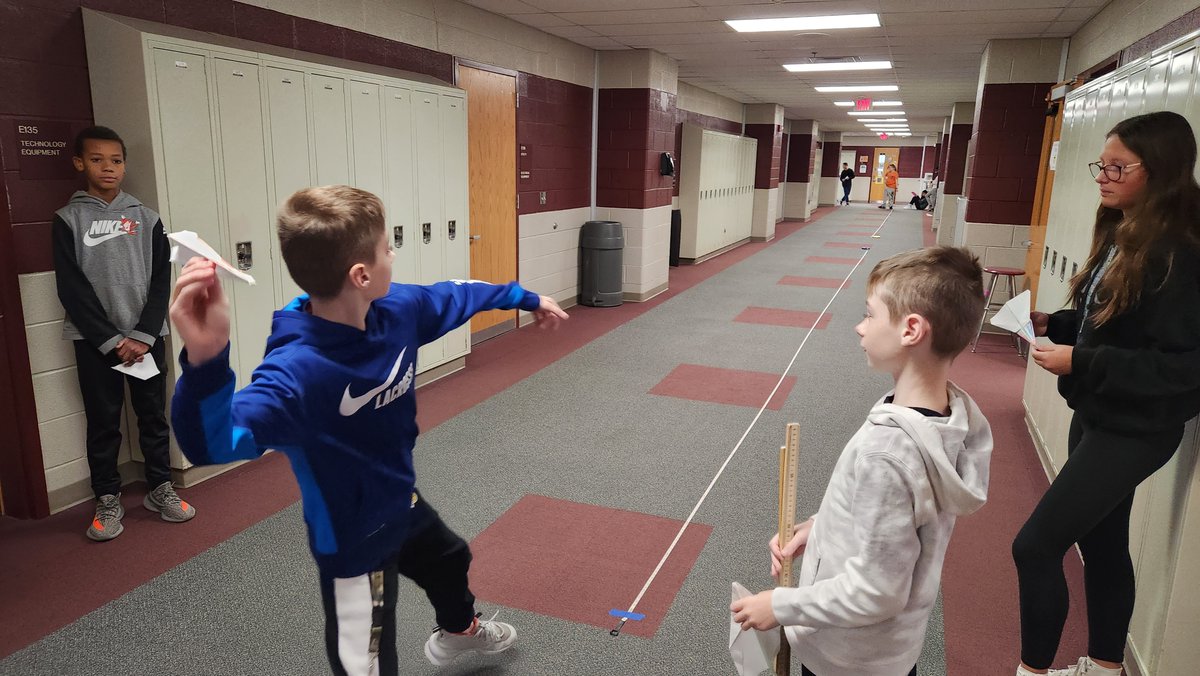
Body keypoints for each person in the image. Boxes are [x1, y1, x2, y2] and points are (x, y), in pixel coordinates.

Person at [168, 185, 568, 675]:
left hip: (400, 500)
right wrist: (206, 361)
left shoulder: (398, 310)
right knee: (368, 661)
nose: (393, 254)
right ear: (360, 274)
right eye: (386, 248)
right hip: (352, 537)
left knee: (449, 558)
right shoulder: (297, 375)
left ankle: (459, 633)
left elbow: (457, 295)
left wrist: (526, 298)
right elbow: (209, 444)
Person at [731, 246, 993, 676]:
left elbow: (877, 591)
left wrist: (780, 604)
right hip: (885, 651)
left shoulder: (888, 451)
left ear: (911, 330)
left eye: (870, 315)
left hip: (848, 658)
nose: (859, 327)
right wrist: (819, 529)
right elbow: (903, 520)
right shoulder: (944, 419)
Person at [1014, 111, 1200, 676]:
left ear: (1160, 171)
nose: (1103, 176)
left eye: (1118, 167)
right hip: (1096, 411)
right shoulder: (1125, 232)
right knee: (1102, 547)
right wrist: (1058, 324)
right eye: (1102, 164)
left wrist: (1082, 360)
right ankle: (1104, 667)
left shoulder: (1181, 251)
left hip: (1136, 428)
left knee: (1035, 545)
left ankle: (1033, 672)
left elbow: (1182, 365)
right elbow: (1114, 319)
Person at [52, 126, 195, 542]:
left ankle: (159, 487)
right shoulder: (68, 219)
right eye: (97, 159)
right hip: (96, 343)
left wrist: (143, 335)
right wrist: (113, 341)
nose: (108, 167)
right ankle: (108, 498)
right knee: (103, 422)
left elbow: (159, 280)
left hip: (145, 339)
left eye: (115, 160)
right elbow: (71, 288)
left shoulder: (146, 217)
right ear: (80, 163)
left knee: (152, 416)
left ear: (124, 165)